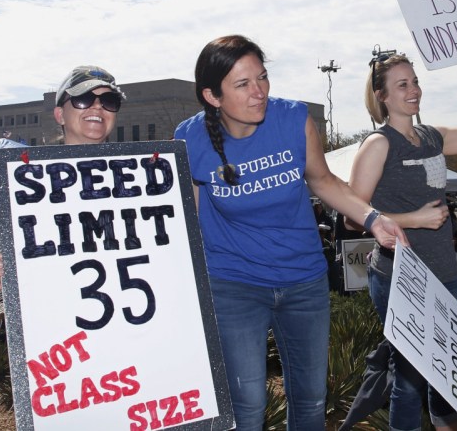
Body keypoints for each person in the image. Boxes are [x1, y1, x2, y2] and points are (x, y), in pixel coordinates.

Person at [173, 34, 407, 430]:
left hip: (304, 282)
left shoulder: (293, 119)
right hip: (234, 285)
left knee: (311, 400)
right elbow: (187, 221)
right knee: (247, 404)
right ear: (213, 96)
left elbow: (323, 181)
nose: (259, 92)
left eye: (262, 78)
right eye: (243, 84)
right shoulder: (190, 138)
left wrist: (373, 218)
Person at [346, 45, 457, 431]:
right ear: (382, 96)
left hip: (445, 274)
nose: (413, 90)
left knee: (449, 369)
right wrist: (412, 218)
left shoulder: (432, 137)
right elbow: (352, 219)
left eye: (415, 81)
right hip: (400, 277)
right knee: (411, 379)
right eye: (402, 85)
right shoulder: (378, 144)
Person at [0, 65, 126, 287]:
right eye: (83, 99)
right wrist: (8, 269)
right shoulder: (28, 183)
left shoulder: (139, 178)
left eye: (109, 101)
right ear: (60, 114)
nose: (97, 107)